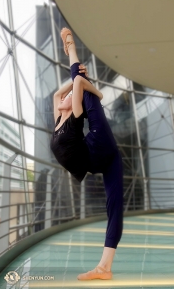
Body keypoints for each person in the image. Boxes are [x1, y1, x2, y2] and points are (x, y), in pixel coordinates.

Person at [50, 28, 124, 280]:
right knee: (114, 205)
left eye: (70, 97)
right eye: (67, 96)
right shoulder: (59, 116)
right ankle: (104, 268)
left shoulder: (74, 117)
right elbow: (58, 94)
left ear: (73, 103)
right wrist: (76, 82)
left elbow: (78, 85)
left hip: (97, 143)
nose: (65, 97)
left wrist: (89, 89)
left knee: (90, 97)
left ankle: (70, 46)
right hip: (99, 159)